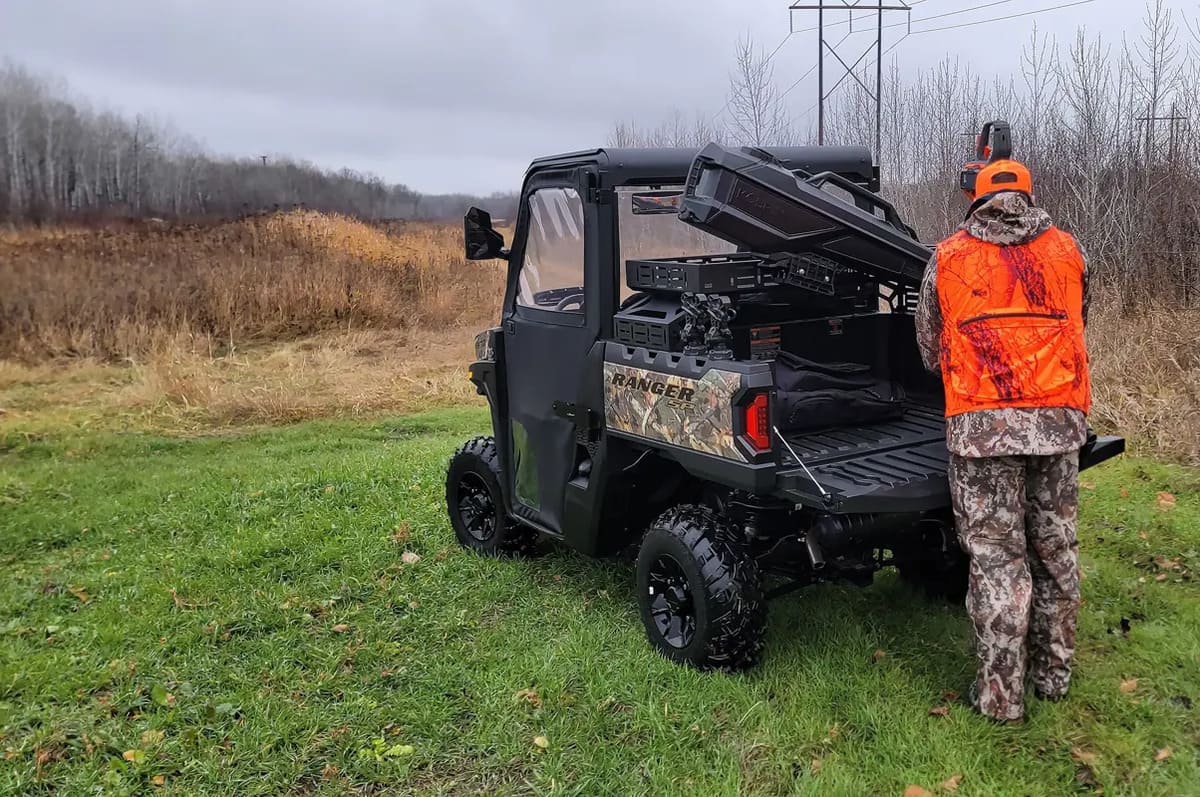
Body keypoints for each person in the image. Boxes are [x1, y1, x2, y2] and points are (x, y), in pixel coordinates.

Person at [914, 158, 1091, 724]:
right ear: (1028, 196)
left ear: (978, 199)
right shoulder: (1069, 250)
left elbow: (927, 348)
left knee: (998, 563)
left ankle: (1000, 698)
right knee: (1055, 550)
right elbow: (1079, 319)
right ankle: (1054, 676)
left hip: (982, 430)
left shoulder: (948, 257)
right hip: (1058, 425)